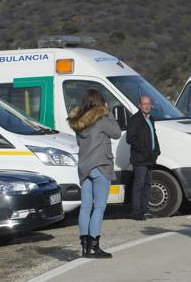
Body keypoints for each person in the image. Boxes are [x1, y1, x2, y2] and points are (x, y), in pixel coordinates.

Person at [68, 89, 122, 258]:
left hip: (84, 167)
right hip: (100, 166)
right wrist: (109, 112)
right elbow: (117, 133)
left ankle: (85, 247)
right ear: (99, 103)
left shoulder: (78, 122)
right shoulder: (102, 119)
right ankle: (94, 247)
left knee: (85, 207)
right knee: (99, 207)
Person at [127, 95, 161, 221]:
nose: (147, 106)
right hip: (140, 159)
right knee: (139, 185)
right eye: (144, 104)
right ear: (139, 105)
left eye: (148, 104)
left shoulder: (151, 119)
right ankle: (136, 211)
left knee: (147, 184)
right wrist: (144, 151)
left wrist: (157, 150)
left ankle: (146, 210)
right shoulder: (135, 119)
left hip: (150, 159)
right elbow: (130, 138)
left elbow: (153, 135)